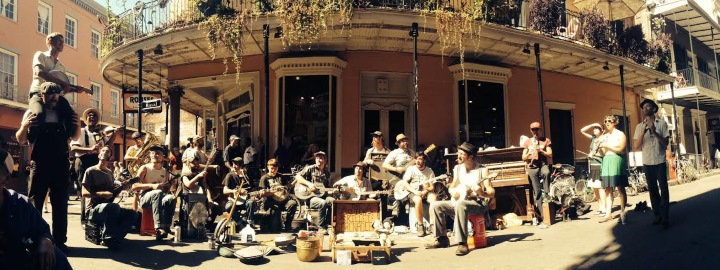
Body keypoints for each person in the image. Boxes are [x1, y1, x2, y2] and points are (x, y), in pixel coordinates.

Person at [16, 82, 81, 252]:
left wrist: (79, 126)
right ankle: (33, 239)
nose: (54, 97)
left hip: (60, 164)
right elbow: (21, 139)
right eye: (50, 94)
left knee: (60, 205)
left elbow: (74, 136)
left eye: (57, 94)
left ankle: (59, 241)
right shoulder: (32, 112)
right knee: (35, 204)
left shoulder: (64, 114)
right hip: (40, 163)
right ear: (42, 95)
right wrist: (25, 126)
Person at [0, 149, 73, 269]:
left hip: (12, 260)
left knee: (56, 257)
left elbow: (41, 230)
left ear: (6, 178)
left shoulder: (20, 203)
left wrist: (45, 240)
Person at [425, 142, 494, 256]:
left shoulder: (482, 170)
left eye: (462, 154)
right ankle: (442, 239)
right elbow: (452, 186)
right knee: (436, 205)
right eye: (458, 153)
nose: (458, 156)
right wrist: (453, 191)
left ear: (470, 156)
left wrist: (481, 192)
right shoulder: (457, 168)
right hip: (460, 201)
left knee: (461, 204)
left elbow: (491, 192)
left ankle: (462, 243)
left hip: (477, 204)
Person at [81, 146, 137, 248]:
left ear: (110, 157)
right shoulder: (90, 171)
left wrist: (123, 187)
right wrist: (101, 194)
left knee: (133, 214)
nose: (104, 152)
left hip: (107, 207)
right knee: (113, 207)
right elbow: (84, 193)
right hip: (94, 209)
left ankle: (116, 237)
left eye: (107, 151)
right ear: (98, 155)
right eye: (102, 150)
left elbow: (111, 195)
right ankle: (108, 237)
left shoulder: (109, 173)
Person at [28, 33, 79, 143]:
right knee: (39, 114)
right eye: (59, 41)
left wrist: (73, 89)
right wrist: (62, 83)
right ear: (49, 41)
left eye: (63, 42)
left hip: (56, 96)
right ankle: (32, 139)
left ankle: (66, 141)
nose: (62, 44)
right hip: (38, 92)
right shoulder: (40, 55)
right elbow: (40, 72)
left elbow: (62, 88)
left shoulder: (62, 67)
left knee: (71, 115)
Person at [633, 99, 670, 227]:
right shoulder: (639, 126)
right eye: (643, 108)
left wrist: (654, 131)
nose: (645, 109)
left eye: (648, 107)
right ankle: (657, 215)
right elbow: (636, 146)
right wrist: (643, 133)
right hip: (647, 162)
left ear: (654, 109)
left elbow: (665, 143)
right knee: (653, 190)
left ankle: (665, 216)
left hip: (659, 160)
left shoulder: (662, 124)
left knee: (663, 189)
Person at [71, 108, 122, 199]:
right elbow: (73, 148)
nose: (92, 117)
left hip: (96, 161)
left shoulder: (100, 133)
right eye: (89, 116)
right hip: (83, 161)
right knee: (86, 190)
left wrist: (115, 134)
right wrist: (90, 149)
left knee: (97, 188)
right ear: (86, 119)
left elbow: (107, 145)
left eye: (94, 116)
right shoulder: (82, 131)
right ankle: (85, 212)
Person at [133, 146, 174, 240]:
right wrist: (152, 186)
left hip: (159, 197)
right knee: (157, 193)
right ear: (150, 155)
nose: (155, 155)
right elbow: (134, 186)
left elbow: (165, 191)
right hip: (144, 198)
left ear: (163, 157)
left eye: (158, 153)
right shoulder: (145, 168)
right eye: (153, 153)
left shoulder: (165, 171)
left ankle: (166, 228)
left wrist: (170, 185)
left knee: (171, 198)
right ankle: (159, 228)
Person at [396, 152, 436, 237]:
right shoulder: (411, 169)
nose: (418, 161)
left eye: (420, 159)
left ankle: (432, 225)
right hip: (414, 192)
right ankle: (420, 226)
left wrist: (425, 191)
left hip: (426, 192)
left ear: (424, 160)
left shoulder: (429, 171)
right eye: (416, 159)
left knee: (433, 198)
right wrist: (415, 192)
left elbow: (432, 187)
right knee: (418, 200)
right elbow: (405, 183)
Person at [598, 115, 629, 224]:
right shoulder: (604, 136)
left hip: (616, 160)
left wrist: (607, 145)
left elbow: (621, 149)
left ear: (615, 122)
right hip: (606, 160)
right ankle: (608, 214)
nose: (607, 123)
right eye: (605, 121)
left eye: (609, 121)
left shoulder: (620, 134)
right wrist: (600, 146)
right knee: (607, 189)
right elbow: (602, 153)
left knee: (620, 187)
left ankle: (622, 212)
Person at [521, 122, 552, 221]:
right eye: (533, 130)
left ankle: (547, 193)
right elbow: (523, 157)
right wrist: (529, 153)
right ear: (531, 131)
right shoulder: (527, 142)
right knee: (537, 191)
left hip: (542, 165)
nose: (535, 132)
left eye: (537, 129)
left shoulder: (545, 140)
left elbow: (550, 154)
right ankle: (542, 215)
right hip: (532, 166)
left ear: (540, 130)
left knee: (546, 172)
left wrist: (541, 151)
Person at [294, 151, 334, 228]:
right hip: (310, 197)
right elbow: (298, 177)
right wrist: (309, 184)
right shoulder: (310, 168)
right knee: (322, 203)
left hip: (322, 196)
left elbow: (326, 188)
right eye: (317, 158)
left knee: (332, 201)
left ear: (325, 160)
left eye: (321, 158)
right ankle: (321, 227)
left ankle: (328, 224)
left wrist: (333, 191)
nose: (319, 160)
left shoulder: (327, 173)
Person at [382, 133, 416, 221]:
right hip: (398, 178)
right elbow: (385, 165)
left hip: (409, 179)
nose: (406, 143)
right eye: (403, 141)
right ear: (398, 143)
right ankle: (396, 217)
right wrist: (396, 169)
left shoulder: (412, 152)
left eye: (406, 141)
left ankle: (410, 217)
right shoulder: (394, 153)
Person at [258, 158, 297, 232]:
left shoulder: (281, 176)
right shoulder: (264, 178)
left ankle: (287, 225)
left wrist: (296, 180)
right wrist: (272, 192)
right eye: (272, 168)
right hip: (271, 202)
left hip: (283, 201)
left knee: (293, 203)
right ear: (268, 167)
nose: (273, 170)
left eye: (275, 169)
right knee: (275, 229)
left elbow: (288, 185)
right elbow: (262, 193)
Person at [580, 123, 606, 216]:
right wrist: (592, 124)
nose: (594, 129)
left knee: (600, 187)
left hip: (599, 163)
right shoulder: (593, 138)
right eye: (594, 128)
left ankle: (604, 208)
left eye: (597, 128)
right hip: (592, 164)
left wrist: (594, 154)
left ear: (602, 130)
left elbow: (603, 153)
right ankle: (600, 206)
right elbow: (582, 130)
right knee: (594, 187)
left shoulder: (603, 139)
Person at [222, 157, 255, 226]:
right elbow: (224, 191)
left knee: (251, 203)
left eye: (236, 164)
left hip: (245, 200)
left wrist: (253, 195)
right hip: (234, 200)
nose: (234, 166)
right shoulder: (230, 175)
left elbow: (252, 189)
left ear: (241, 166)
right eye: (233, 164)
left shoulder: (246, 177)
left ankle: (250, 224)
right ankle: (240, 222)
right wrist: (234, 191)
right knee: (228, 206)